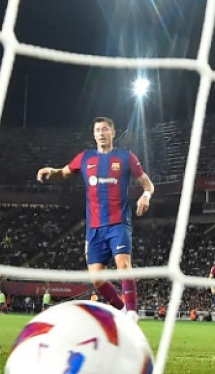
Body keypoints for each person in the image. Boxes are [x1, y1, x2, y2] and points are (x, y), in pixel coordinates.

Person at [36, 117, 154, 322]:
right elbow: (64, 173)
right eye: (98, 130)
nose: (101, 133)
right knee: (96, 278)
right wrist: (51, 171)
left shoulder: (126, 157)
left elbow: (147, 184)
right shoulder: (85, 158)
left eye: (105, 129)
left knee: (123, 264)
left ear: (113, 133)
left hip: (119, 222)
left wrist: (146, 196)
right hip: (94, 227)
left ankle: (133, 314)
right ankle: (122, 309)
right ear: (94, 134)